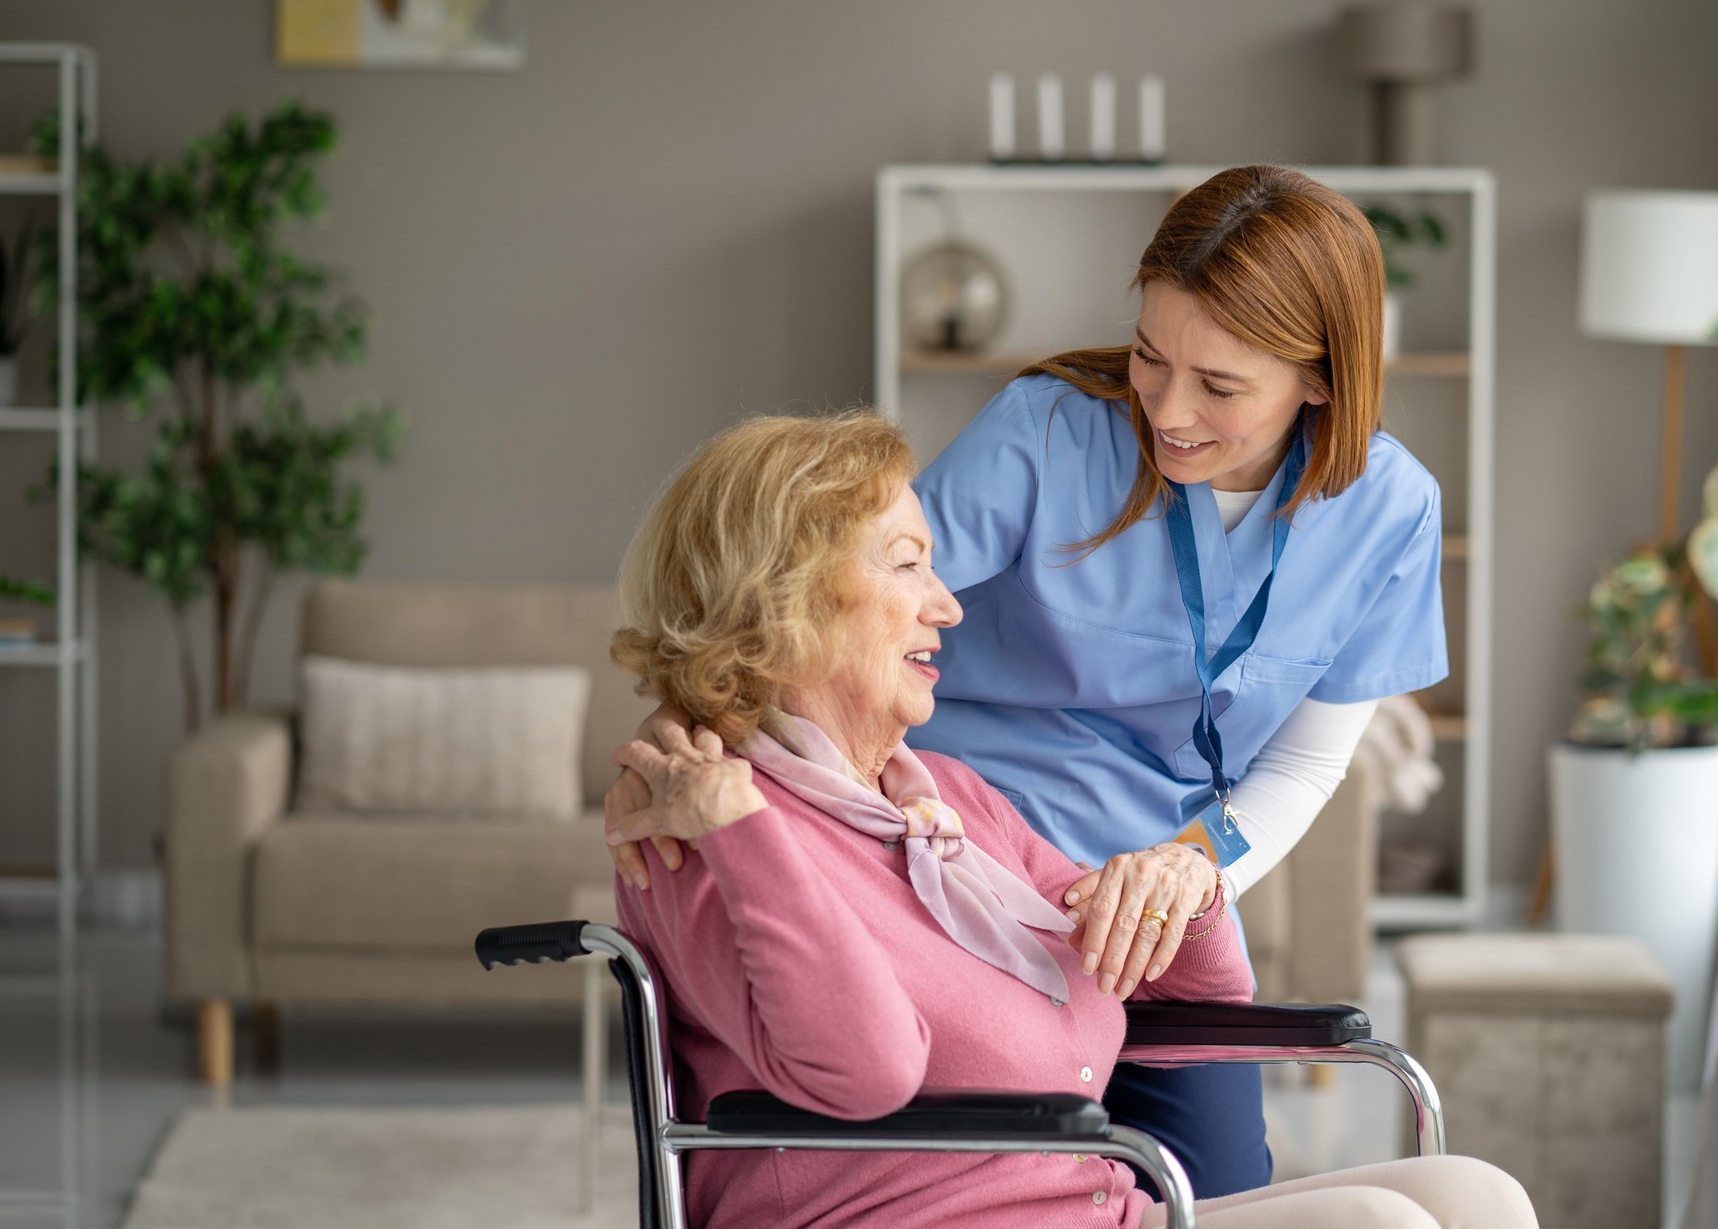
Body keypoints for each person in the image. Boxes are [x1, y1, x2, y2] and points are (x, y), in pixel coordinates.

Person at [609, 165, 1448, 1196]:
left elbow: (1308, 762)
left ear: (1320, 380)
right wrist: (681, 734)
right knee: (985, 1180)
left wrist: (1191, 872)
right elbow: (831, 597)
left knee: (1221, 1183)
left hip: (1151, 895)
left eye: (1220, 386)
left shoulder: (1390, 511)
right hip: (961, 853)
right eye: (1150, 356)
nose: (1168, 409)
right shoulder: (1049, 431)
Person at [607, 410, 1532, 1229]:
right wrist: (743, 829)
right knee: (1378, 1224)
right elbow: (867, 1071)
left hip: (1094, 1209)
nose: (949, 604)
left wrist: (1181, 886)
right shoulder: (699, 837)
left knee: (1475, 1195)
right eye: (909, 564)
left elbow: (1196, 995)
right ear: (783, 600)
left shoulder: (947, 798)